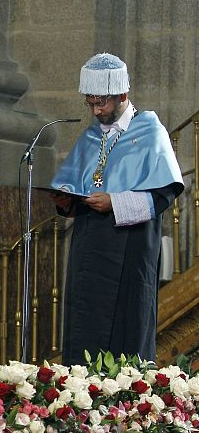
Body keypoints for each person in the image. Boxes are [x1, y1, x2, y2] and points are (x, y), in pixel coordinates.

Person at [49, 53, 183, 365]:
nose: (96, 111)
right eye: (91, 103)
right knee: (85, 326)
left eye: (102, 103)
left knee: (127, 326)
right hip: (89, 245)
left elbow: (164, 193)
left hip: (130, 246)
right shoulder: (90, 136)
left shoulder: (150, 131)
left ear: (122, 95)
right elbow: (72, 185)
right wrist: (65, 200)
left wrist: (115, 202)